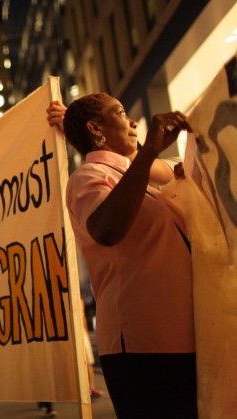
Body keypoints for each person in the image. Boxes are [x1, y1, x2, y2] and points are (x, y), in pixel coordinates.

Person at [47, 95, 197, 419]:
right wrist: (148, 153)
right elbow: (107, 229)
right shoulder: (87, 178)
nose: (132, 122)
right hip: (143, 344)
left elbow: (166, 172)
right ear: (95, 128)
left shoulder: (140, 176)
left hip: (184, 334)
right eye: (121, 113)